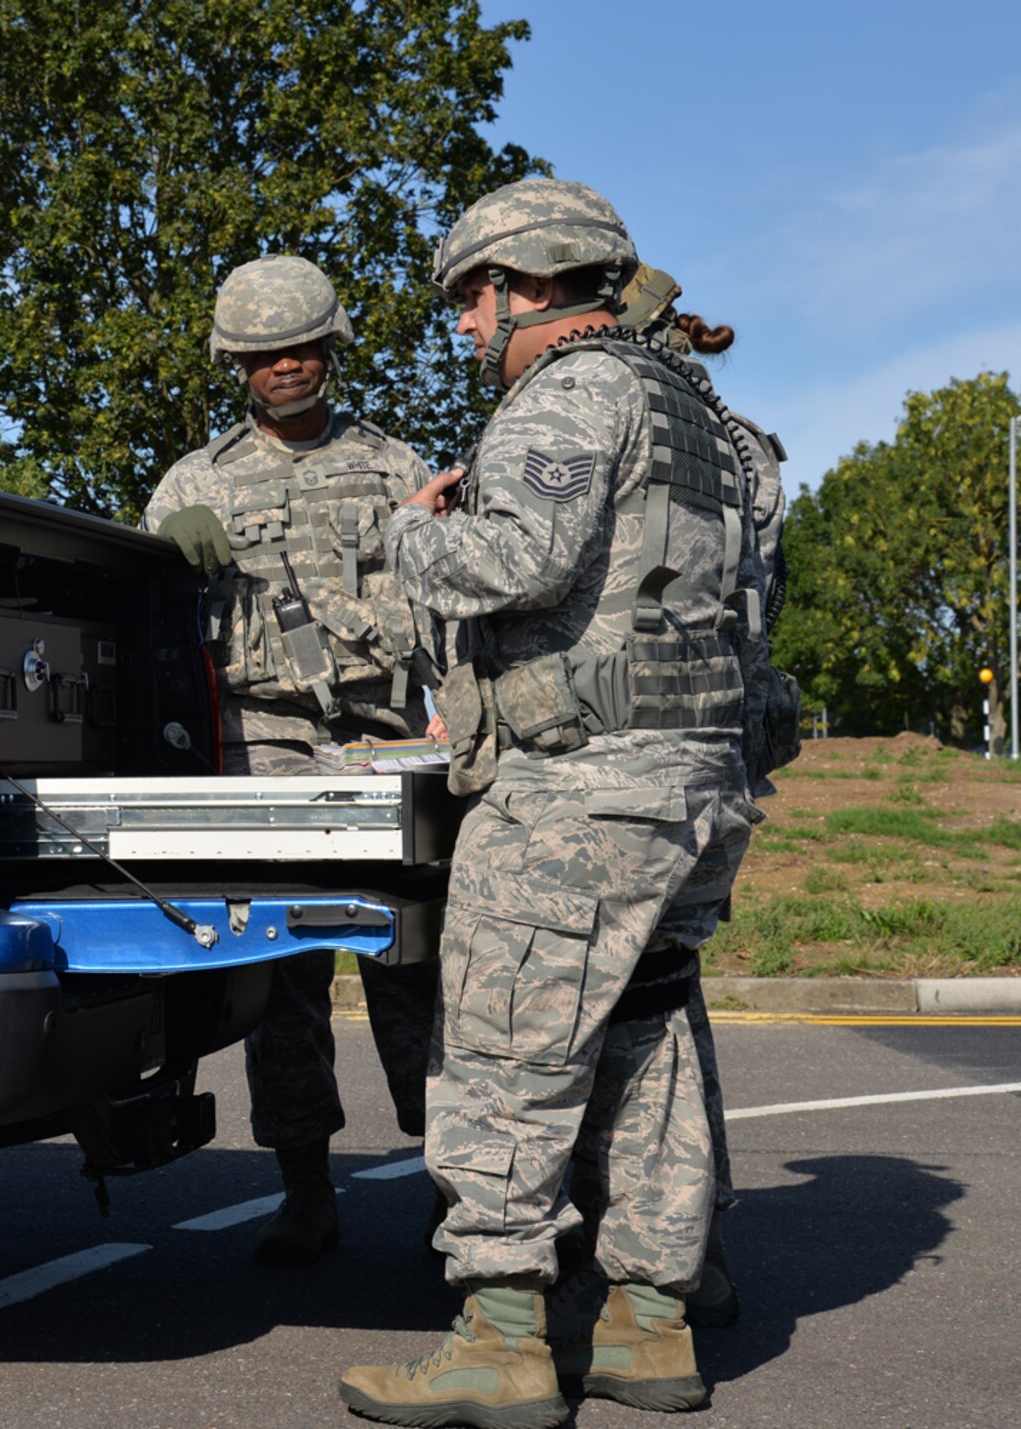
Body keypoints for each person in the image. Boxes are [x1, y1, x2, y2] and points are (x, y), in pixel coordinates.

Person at [336, 179, 763, 1428]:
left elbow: (507, 561)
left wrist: (408, 532)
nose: (466, 330)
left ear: (524, 283)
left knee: (501, 1049)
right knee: (648, 1045)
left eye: (469, 300)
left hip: (581, 791)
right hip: (690, 784)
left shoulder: (570, 392)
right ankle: (646, 1325)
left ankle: (500, 1337)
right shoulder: (704, 417)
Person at [141, 254, 439, 1267]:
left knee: (411, 961)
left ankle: (454, 1179)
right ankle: (303, 1187)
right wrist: (163, 564)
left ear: (334, 347)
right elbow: (155, 634)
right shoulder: (196, 483)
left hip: (384, 735)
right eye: (266, 354)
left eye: (304, 347)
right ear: (236, 362)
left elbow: (439, 606)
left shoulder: (397, 469)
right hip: (261, 739)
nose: (287, 368)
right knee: (281, 971)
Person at [551, 264, 795, 1337]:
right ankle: (689, 1256)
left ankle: (651, 1260)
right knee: (662, 1007)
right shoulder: (739, 444)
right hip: (711, 757)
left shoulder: (629, 427)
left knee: (613, 1022)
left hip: (617, 757)